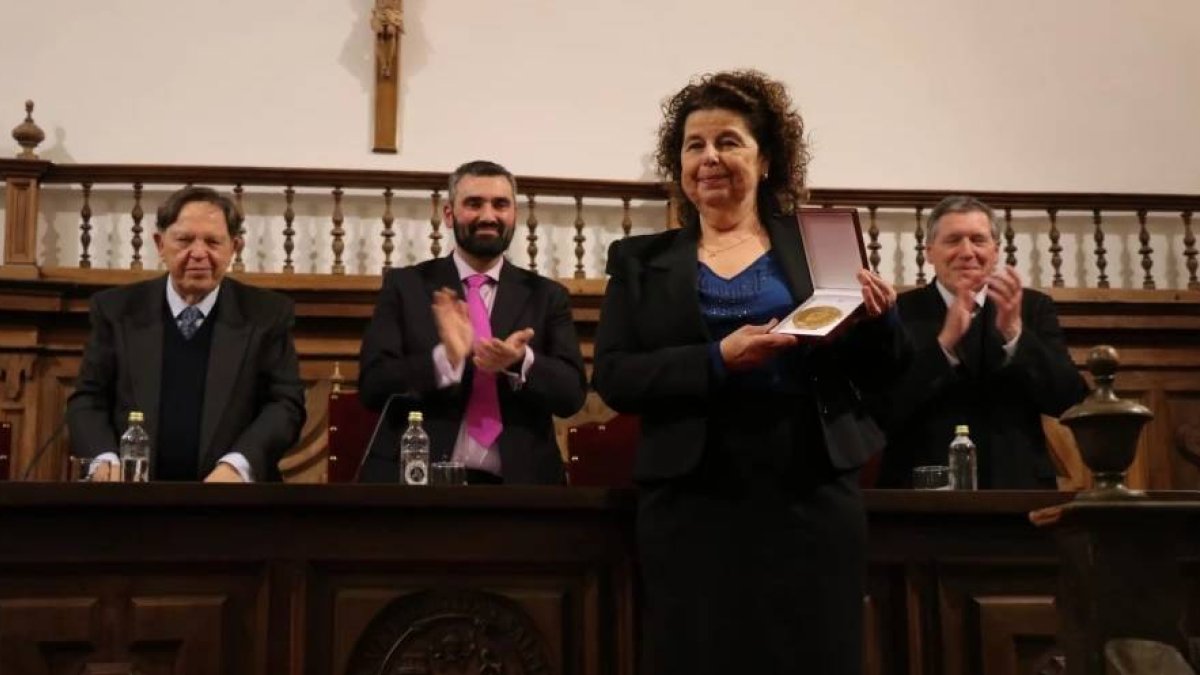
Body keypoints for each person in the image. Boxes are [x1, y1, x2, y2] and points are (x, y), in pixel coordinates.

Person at [591, 70, 908, 674]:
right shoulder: (639, 261)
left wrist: (880, 320)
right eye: (694, 145)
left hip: (808, 488)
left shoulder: (820, 244)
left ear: (766, 161)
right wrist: (717, 360)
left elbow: (883, 372)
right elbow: (615, 377)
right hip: (693, 497)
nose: (709, 158)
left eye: (728, 141)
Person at [357, 160, 587, 485]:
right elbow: (372, 386)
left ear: (514, 216)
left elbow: (571, 395)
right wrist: (444, 359)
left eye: (500, 204)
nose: (488, 216)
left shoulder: (547, 296)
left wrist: (520, 361)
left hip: (521, 492)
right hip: (417, 487)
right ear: (449, 215)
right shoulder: (406, 286)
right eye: (474, 204)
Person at [67, 186, 306, 482]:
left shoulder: (266, 314)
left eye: (212, 242)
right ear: (160, 243)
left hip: (235, 505)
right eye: (184, 240)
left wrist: (239, 465)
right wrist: (104, 458)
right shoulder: (117, 310)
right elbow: (88, 400)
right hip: (129, 502)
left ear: (235, 247)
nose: (198, 253)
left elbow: (285, 405)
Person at [878, 195, 1088, 489]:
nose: (967, 252)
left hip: (1017, 492)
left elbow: (1068, 399)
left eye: (978, 240)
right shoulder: (899, 312)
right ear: (929, 252)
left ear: (996, 250)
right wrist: (944, 346)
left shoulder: (1033, 308)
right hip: (923, 494)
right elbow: (883, 411)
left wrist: (1015, 334)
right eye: (953, 240)